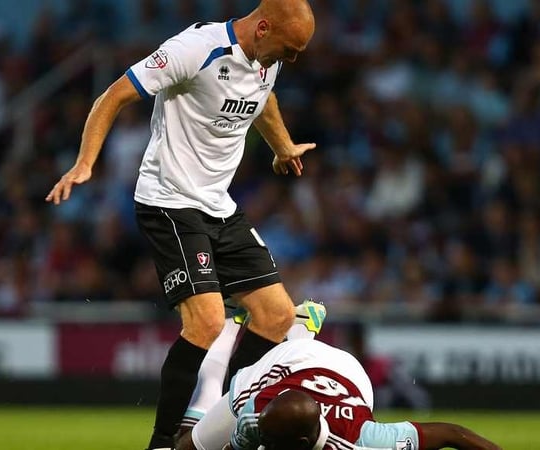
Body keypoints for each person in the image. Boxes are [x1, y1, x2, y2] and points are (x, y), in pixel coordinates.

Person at [45, 1, 317, 448]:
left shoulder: (268, 56)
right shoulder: (196, 48)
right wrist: (84, 164)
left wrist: (283, 145)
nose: (289, 61)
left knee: (277, 316)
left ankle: (224, 425)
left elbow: (262, 97)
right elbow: (112, 95)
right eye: (287, 50)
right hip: (169, 202)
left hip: (218, 206)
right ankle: (163, 441)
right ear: (263, 27)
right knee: (208, 322)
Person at [176, 339, 501, 450]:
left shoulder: (365, 440)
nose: (266, 444)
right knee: (189, 445)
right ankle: (233, 331)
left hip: (349, 374)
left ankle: (302, 329)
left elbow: (452, 434)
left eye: (271, 445)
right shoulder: (256, 415)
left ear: (302, 444)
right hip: (280, 367)